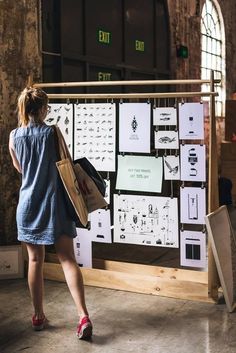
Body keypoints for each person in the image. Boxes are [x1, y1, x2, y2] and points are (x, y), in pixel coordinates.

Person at [8, 87, 92, 339]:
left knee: (34, 261)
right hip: (54, 203)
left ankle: (37, 316)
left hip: (28, 205)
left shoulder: (14, 136)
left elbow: (20, 169)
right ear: (43, 109)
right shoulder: (52, 133)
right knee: (67, 259)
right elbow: (66, 164)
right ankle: (83, 316)